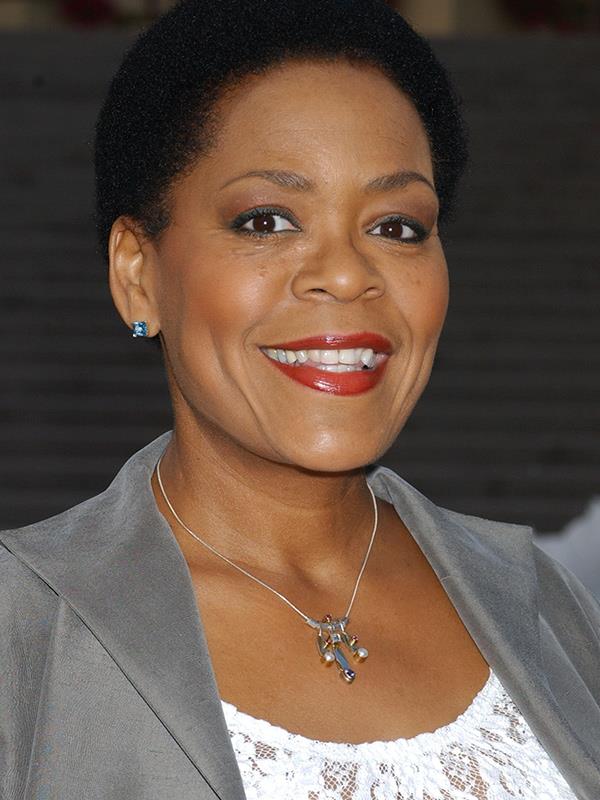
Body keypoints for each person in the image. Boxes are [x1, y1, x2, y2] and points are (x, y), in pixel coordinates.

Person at [1, 1, 598, 798]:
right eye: (268, 220)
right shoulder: (25, 629)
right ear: (137, 274)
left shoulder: (544, 606)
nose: (347, 275)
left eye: (397, 227)